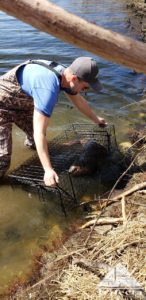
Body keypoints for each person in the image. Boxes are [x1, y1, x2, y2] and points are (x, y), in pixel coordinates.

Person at [0, 56, 107, 186]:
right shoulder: (48, 90)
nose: (83, 91)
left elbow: (78, 100)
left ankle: (31, 147)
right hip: (2, 107)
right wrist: (48, 170)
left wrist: (96, 119)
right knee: (3, 159)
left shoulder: (65, 75)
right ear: (74, 79)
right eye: (84, 88)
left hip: (22, 104)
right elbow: (40, 133)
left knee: (36, 142)